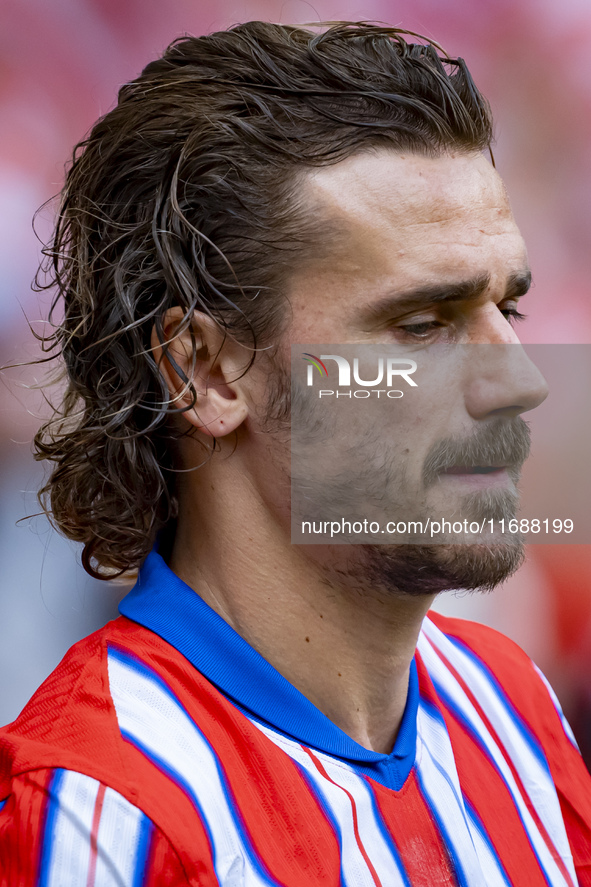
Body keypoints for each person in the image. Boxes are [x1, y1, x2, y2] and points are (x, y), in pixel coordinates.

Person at [1, 20, 590, 886]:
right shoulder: (103, 809)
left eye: (511, 309)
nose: (516, 382)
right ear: (205, 370)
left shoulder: (513, 705)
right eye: (421, 325)